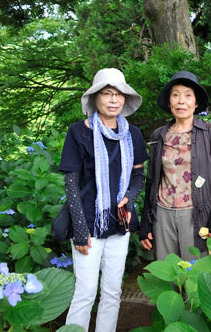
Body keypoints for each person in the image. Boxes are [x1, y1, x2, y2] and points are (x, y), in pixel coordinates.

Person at [59, 68, 148, 332]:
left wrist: (129, 198)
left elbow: (138, 177)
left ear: (125, 100)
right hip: (88, 223)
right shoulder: (78, 132)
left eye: (119, 94)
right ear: (95, 98)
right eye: (107, 93)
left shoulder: (133, 135)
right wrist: (80, 230)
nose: (113, 100)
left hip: (119, 224)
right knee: (85, 292)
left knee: (112, 291)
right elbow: (71, 184)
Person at [140, 71, 211, 261]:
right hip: (163, 213)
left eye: (188, 95)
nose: (181, 101)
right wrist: (145, 224)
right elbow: (152, 180)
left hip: (197, 214)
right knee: (169, 274)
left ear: (196, 103)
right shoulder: (159, 135)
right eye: (175, 95)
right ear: (169, 102)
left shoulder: (210, 131)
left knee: (196, 276)